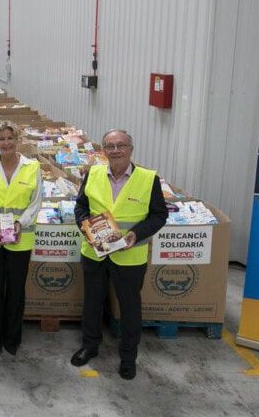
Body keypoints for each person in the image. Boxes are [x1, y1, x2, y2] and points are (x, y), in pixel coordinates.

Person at [72, 129, 167, 380]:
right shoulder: (92, 174)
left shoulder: (148, 178)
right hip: (95, 253)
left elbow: (159, 215)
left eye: (121, 145)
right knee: (92, 303)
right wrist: (87, 229)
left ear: (130, 149)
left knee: (130, 307)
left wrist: (136, 233)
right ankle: (89, 346)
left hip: (130, 256)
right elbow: (80, 206)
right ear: (103, 150)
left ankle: (128, 357)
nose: (115, 150)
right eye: (110, 146)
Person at [0, 121, 43, 358]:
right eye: (1, 139)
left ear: (18, 140)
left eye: (10, 138)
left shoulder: (32, 167)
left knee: (15, 290)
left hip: (20, 238)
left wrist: (18, 224)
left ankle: (12, 340)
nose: (6, 143)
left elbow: (35, 203)